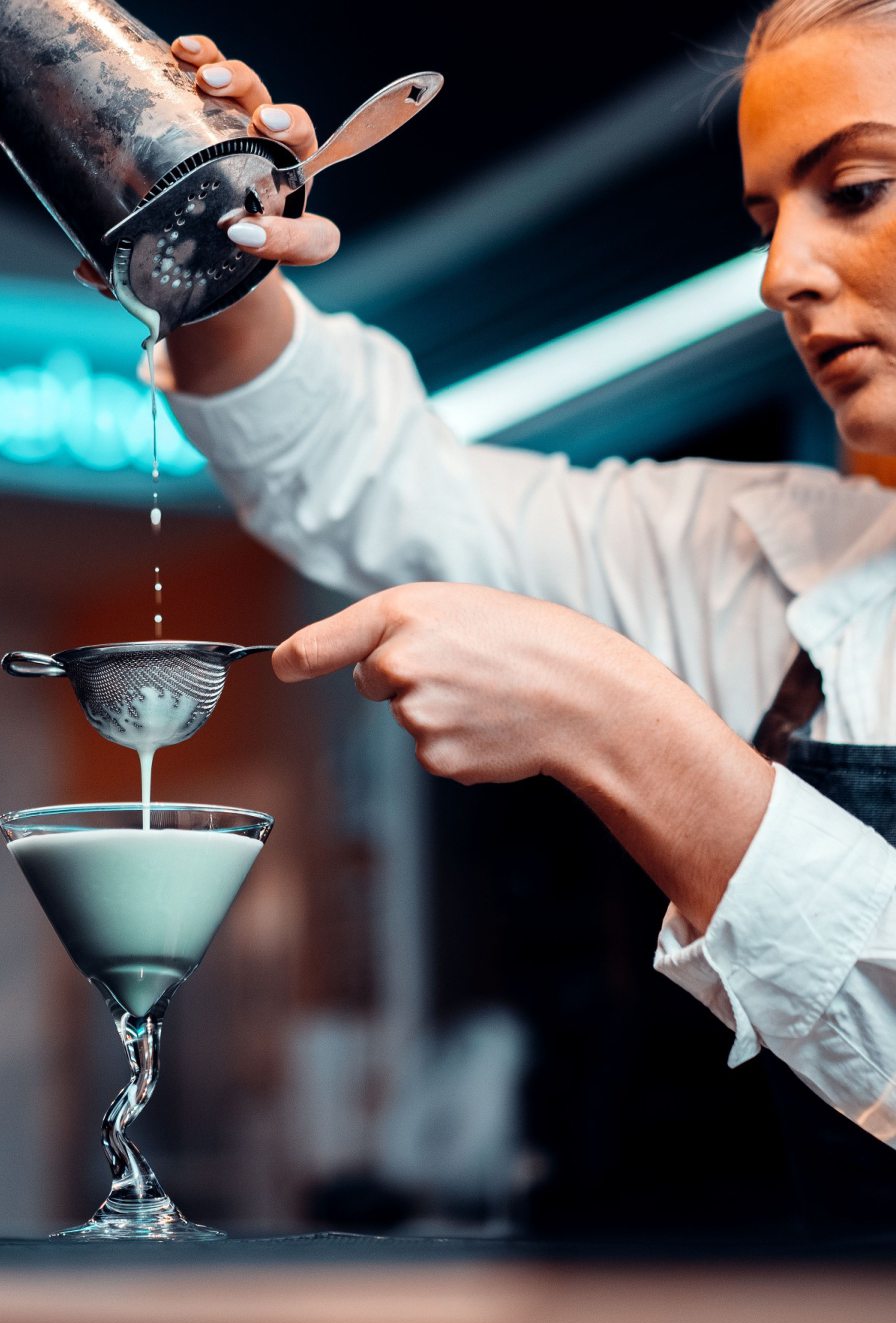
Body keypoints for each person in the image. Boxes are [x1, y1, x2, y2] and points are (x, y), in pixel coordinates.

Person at [95, 1, 896, 1220]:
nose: (781, 274)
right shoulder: (769, 559)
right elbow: (370, 476)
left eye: (857, 188)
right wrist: (209, 245)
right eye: (766, 218)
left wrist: (620, 724)